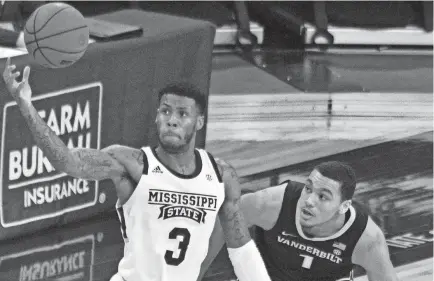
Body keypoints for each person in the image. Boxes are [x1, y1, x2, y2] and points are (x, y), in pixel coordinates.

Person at [2, 58, 272, 281]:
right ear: (156, 116)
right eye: (165, 111)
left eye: (182, 114)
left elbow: (241, 248)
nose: (172, 121)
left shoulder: (221, 175)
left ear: (199, 122)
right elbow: (66, 161)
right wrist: (26, 106)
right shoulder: (131, 164)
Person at [201, 161, 399, 281]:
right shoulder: (272, 204)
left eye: (323, 197)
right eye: (308, 188)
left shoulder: (365, 239)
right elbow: (222, 222)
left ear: (344, 206)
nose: (309, 201)